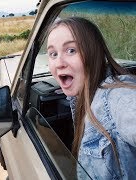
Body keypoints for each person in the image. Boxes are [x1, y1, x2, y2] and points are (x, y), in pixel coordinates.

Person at [46, 17, 136, 179]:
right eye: (53, 54)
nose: (59, 63)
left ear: (93, 53)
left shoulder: (117, 96)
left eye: (71, 50)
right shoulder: (81, 96)